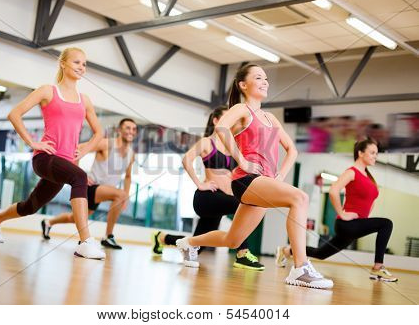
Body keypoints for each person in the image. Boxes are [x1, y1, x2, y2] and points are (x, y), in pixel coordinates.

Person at [175, 64, 333, 289]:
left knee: (233, 240)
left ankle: (189, 243)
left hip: (262, 183)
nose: (265, 81)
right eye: (258, 78)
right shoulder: (242, 109)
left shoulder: (270, 118)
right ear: (243, 85)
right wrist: (242, 161)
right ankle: (301, 267)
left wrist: (279, 176)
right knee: (300, 198)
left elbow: (292, 150)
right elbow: (221, 129)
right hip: (245, 180)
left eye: (266, 78)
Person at [0, 47, 105, 259]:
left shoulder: (84, 100)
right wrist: (32, 142)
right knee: (80, 177)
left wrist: (84, 148)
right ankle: (85, 242)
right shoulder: (48, 91)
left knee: (31, 206)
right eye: (76, 62)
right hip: (45, 158)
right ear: (63, 63)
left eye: (84, 64)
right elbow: (15, 114)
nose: (81, 67)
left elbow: (99, 132)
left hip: (65, 163)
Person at [152, 107, 264, 270]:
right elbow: (186, 160)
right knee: (241, 204)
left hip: (222, 199)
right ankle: (242, 253)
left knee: (199, 243)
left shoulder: (231, 147)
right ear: (216, 121)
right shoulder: (206, 142)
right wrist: (200, 184)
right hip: (207, 197)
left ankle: (161, 238)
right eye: (227, 117)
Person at [276, 138, 398, 282]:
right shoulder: (352, 172)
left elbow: (371, 201)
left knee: (321, 253)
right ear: (360, 153)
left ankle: (286, 250)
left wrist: (365, 220)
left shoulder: (369, 177)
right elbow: (334, 190)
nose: (375, 156)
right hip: (347, 225)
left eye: (376, 153)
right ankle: (378, 268)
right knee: (386, 223)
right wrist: (342, 213)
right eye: (372, 152)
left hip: (356, 224)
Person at [41, 118, 137, 249]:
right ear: (119, 130)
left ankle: (48, 222)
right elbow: (79, 148)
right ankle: (108, 237)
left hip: (103, 191)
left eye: (134, 129)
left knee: (73, 218)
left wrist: (126, 195)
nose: (131, 131)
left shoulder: (131, 154)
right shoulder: (106, 144)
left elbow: (128, 176)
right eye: (128, 128)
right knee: (119, 195)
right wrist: (79, 174)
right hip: (91, 187)